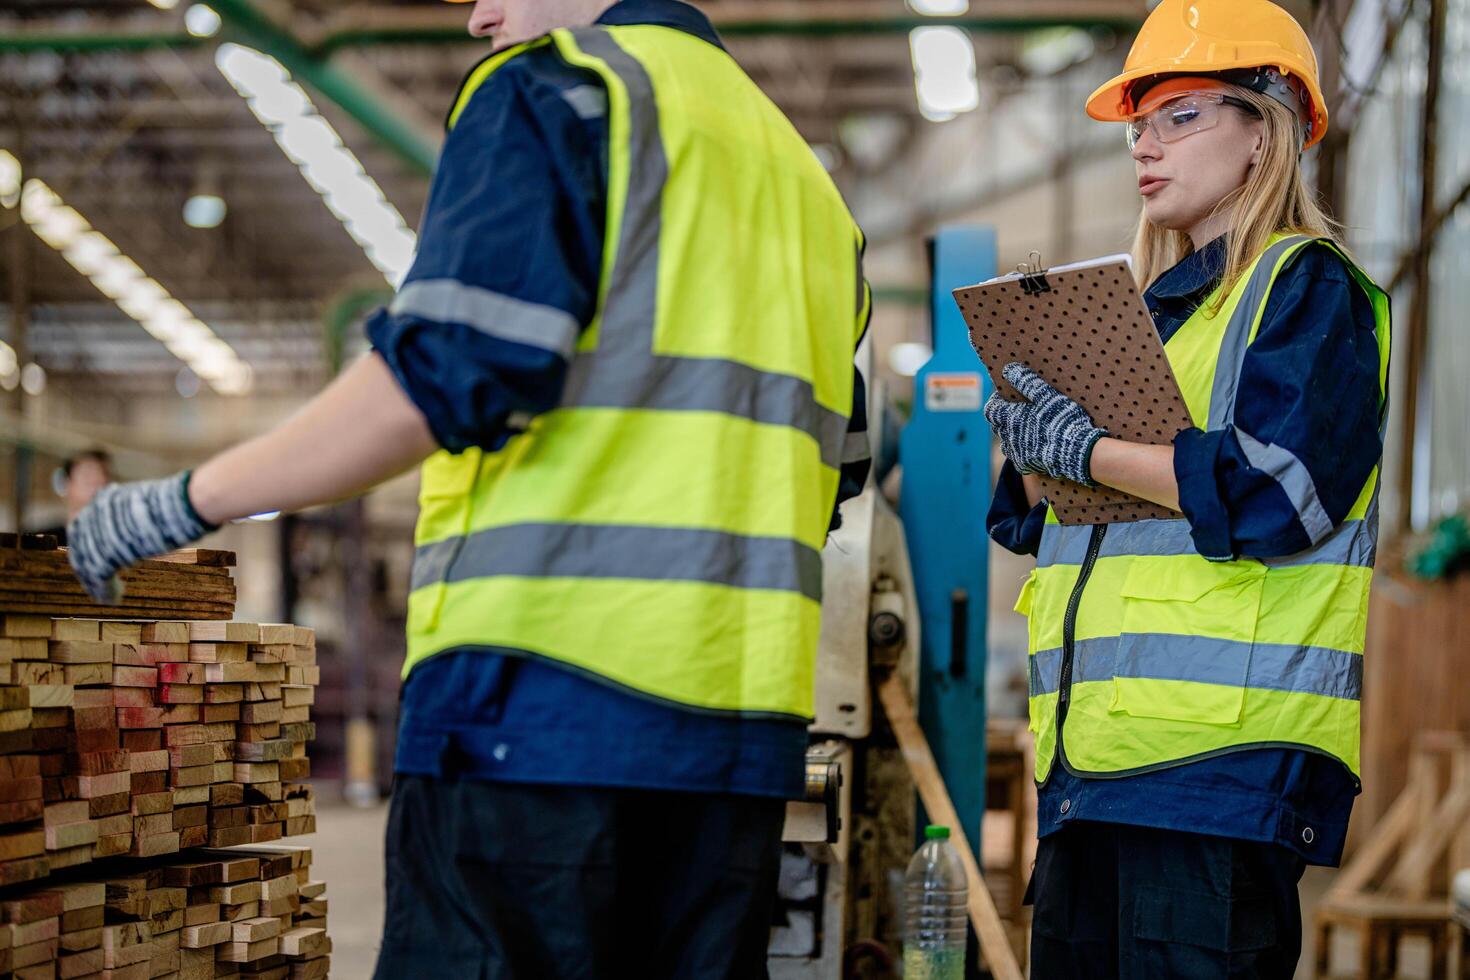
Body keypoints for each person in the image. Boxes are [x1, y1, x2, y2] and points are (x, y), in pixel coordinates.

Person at [65, 1, 872, 976]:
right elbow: (846, 464)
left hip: (531, 715)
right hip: (737, 755)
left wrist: (180, 501)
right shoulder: (807, 188)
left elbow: (438, 376)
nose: (481, 14)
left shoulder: (567, 88)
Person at [983, 0, 1390, 976]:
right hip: (1089, 779)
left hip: (1217, 781)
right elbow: (1045, 519)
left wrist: (1091, 451)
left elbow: (1277, 490)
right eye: (1137, 126)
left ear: (1264, 128)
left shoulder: (1305, 290)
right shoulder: (1150, 317)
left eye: (1181, 116)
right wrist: (1040, 449)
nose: (1145, 147)